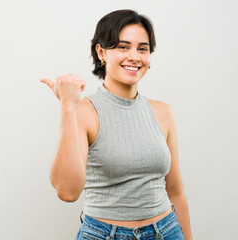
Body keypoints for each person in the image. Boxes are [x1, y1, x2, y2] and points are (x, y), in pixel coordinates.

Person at [40, 9, 193, 240]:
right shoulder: (83, 111)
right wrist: (68, 107)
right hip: (104, 235)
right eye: (123, 47)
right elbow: (67, 191)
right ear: (101, 52)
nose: (134, 56)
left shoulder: (163, 112)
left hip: (167, 231)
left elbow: (176, 192)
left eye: (143, 48)